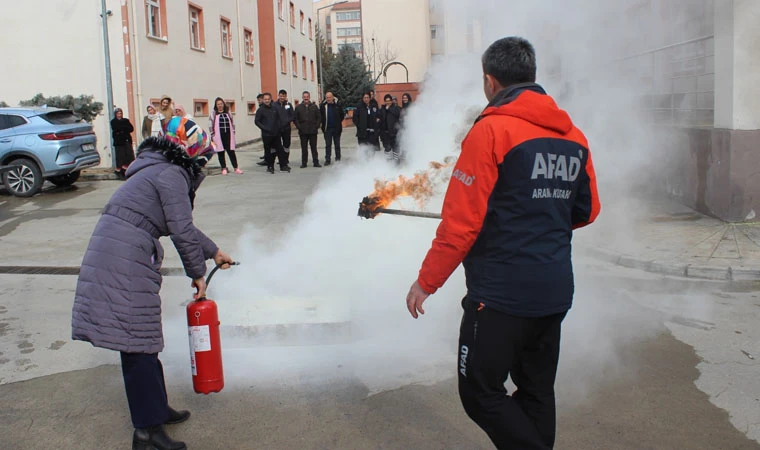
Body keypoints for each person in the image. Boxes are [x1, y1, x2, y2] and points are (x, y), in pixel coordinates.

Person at [404, 36, 600, 450]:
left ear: (491, 82)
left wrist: (426, 282)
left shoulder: (491, 130)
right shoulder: (575, 137)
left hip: (500, 296)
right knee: (536, 391)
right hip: (554, 289)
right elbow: (587, 210)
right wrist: (540, 217)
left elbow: (460, 225)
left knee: (480, 391)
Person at [72, 116, 234, 450]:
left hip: (120, 250)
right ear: (187, 153)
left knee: (142, 341)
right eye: (201, 157)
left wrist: (213, 251)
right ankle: (147, 434)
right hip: (123, 256)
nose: (203, 164)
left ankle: (156, 410)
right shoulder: (172, 173)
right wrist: (198, 275)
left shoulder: (157, 168)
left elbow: (180, 225)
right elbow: (180, 228)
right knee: (137, 344)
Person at [255, 93, 290, 174]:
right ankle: (270, 167)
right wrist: (264, 128)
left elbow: (280, 118)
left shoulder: (275, 108)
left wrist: (279, 128)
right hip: (266, 135)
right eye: (265, 99)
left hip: (276, 134)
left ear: (271, 99)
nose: (267, 101)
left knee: (280, 150)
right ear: (263, 100)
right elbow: (257, 121)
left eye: (268, 99)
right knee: (268, 151)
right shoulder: (260, 110)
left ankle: (283, 166)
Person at [209, 97, 242, 175]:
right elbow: (210, 124)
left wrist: (233, 131)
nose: (220, 105)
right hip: (218, 135)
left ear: (223, 104)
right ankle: (223, 168)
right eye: (218, 104)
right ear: (216, 105)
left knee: (231, 152)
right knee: (220, 152)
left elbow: (232, 122)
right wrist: (212, 134)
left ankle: (236, 168)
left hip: (228, 135)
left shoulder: (228, 113)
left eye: (221, 104)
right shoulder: (214, 113)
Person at [294, 91, 322, 168]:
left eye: (307, 96)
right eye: (304, 96)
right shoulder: (298, 107)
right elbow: (295, 119)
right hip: (303, 131)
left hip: (313, 131)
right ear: (302, 97)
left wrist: (316, 126)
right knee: (304, 148)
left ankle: (316, 162)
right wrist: (299, 127)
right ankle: (304, 163)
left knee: (314, 147)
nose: (306, 98)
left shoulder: (314, 107)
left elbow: (319, 117)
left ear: (309, 97)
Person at [320, 91, 345, 165]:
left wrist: (338, 123)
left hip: (336, 129)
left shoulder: (338, 105)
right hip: (327, 129)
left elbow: (342, 115)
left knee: (337, 145)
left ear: (333, 97)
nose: (328, 99)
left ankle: (338, 159)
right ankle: (327, 159)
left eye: (329, 97)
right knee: (328, 145)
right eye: (327, 97)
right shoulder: (323, 106)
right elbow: (320, 116)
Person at [111, 108, 135, 180]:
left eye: (120, 113)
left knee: (129, 155)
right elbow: (116, 128)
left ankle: (128, 170)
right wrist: (124, 128)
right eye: (118, 114)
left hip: (126, 140)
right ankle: (120, 172)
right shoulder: (113, 121)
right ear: (115, 114)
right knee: (120, 157)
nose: (119, 115)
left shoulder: (126, 120)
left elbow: (131, 128)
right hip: (119, 142)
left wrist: (122, 129)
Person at [379, 93, 401, 162]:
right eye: (386, 101)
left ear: (391, 101)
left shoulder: (396, 108)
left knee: (395, 148)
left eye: (389, 101)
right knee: (387, 148)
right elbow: (379, 118)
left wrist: (388, 109)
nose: (387, 102)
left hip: (394, 133)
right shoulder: (382, 109)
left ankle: (396, 163)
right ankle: (388, 163)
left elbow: (397, 114)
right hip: (385, 133)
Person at [276, 90, 295, 165]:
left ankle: (286, 159)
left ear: (286, 96)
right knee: (278, 145)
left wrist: (287, 120)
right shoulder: (274, 105)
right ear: (278, 95)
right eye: (281, 96)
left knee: (286, 144)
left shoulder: (288, 105)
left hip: (286, 128)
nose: (282, 97)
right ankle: (281, 159)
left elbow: (292, 115)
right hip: (277, 128)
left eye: (284, 96)